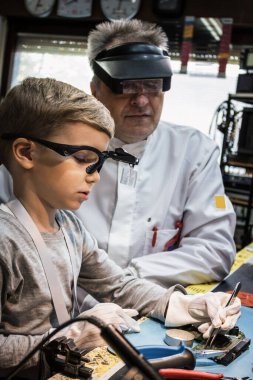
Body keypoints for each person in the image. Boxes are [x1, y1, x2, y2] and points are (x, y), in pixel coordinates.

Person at [0, 77, 241, 379]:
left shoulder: (71, 228)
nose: (95, 176)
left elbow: (119, 286)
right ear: (26, 152)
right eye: (83, 159)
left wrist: (182, 305)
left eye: (100, 161)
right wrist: (73, 335)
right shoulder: (5, 241)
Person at [0, 20, 236, 291]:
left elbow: (215, 249)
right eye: (126, 85)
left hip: (148, 308)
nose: (141, 100)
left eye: (152, 85)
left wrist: (125, 277)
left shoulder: (194, 151)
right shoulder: (45, 150)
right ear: (95, 89)